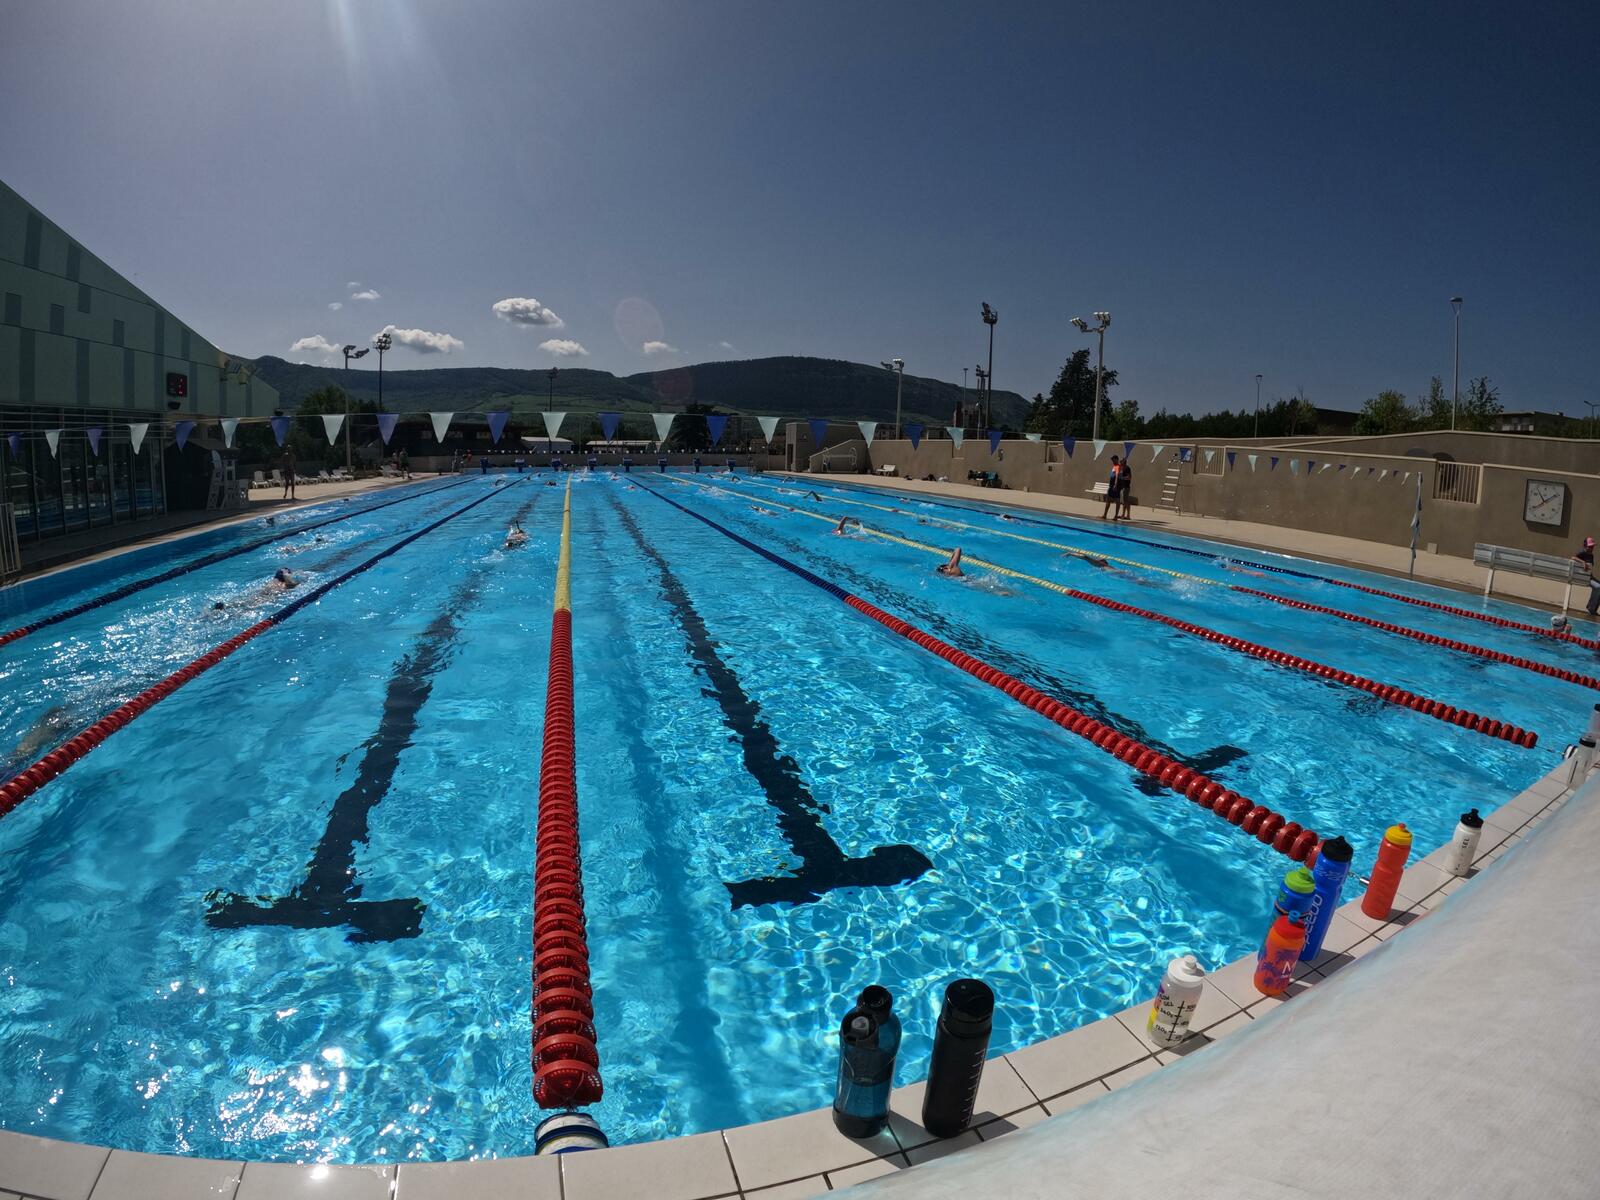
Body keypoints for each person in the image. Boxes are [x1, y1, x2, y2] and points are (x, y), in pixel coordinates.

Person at [1575, 537, 1599, 617]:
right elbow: (1573, 557)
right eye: (1590, 546)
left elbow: (1590, 568)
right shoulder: (1582, 553)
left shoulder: (1591, 555)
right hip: (1582, 577)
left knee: (1599, 587)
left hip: (1588, 577)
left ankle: (1591, 608)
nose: (1591, 548)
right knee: (1598, 587)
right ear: (1585, 546)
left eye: (1592, 546)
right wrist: (1583, 562)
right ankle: (1592, 609)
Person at [1101, 456, 1122, 521]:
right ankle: (1105, 515)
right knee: (1108, 500)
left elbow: (1117, 475)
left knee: (1117, 500)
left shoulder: (1117, 466)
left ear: (1117, 460)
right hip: (1112, 486)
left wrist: (1115, 484)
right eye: (1112, 460)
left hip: (1115, 486)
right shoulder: (1114, 466)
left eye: (1114, 460)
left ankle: (1115, 516)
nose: (1112, 461)